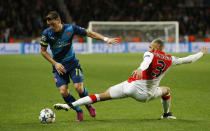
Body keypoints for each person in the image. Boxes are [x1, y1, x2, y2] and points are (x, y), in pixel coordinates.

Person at [54, 38, 208, 120]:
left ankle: (71, 105)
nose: (148, 49)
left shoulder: (150, 54)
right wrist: (201, 53)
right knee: (166, 90)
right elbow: (188, 59)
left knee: (101, 96)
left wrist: (141, 69)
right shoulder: (170, 59)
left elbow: (146, 61)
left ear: (155, 48)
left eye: (150, 47)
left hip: (130, 86)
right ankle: (166, 114)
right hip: (145, 94)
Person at [40, 11, 119, 122]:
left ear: (59, 21)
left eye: (53, 24)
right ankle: (78, 110)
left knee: (79, 88)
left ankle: (88, 105)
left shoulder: (70, 29)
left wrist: (106, 39)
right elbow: (43, 51)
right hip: (58, 66)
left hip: (73, 64)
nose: (51, 27)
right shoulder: (47, 33)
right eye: (49, 25)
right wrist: (55, 64)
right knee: (63, 91)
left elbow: (90, 33)